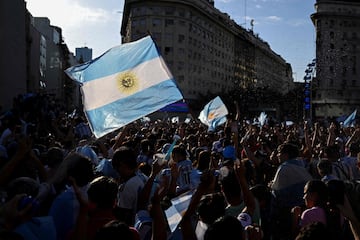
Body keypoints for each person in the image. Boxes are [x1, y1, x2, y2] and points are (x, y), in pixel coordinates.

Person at [270, 142, 313, 240]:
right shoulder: (303, 164)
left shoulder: (284, 168)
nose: (278, 155)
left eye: (279, 153)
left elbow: (276, 193)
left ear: (286, 154)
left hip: (288, 212)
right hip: (305, 207)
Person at [112, 146, 147, 226]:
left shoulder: (128, 186)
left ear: (122, 165)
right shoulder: (143, 176)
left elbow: (124, 214)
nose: (117, 172)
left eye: (117, 168)